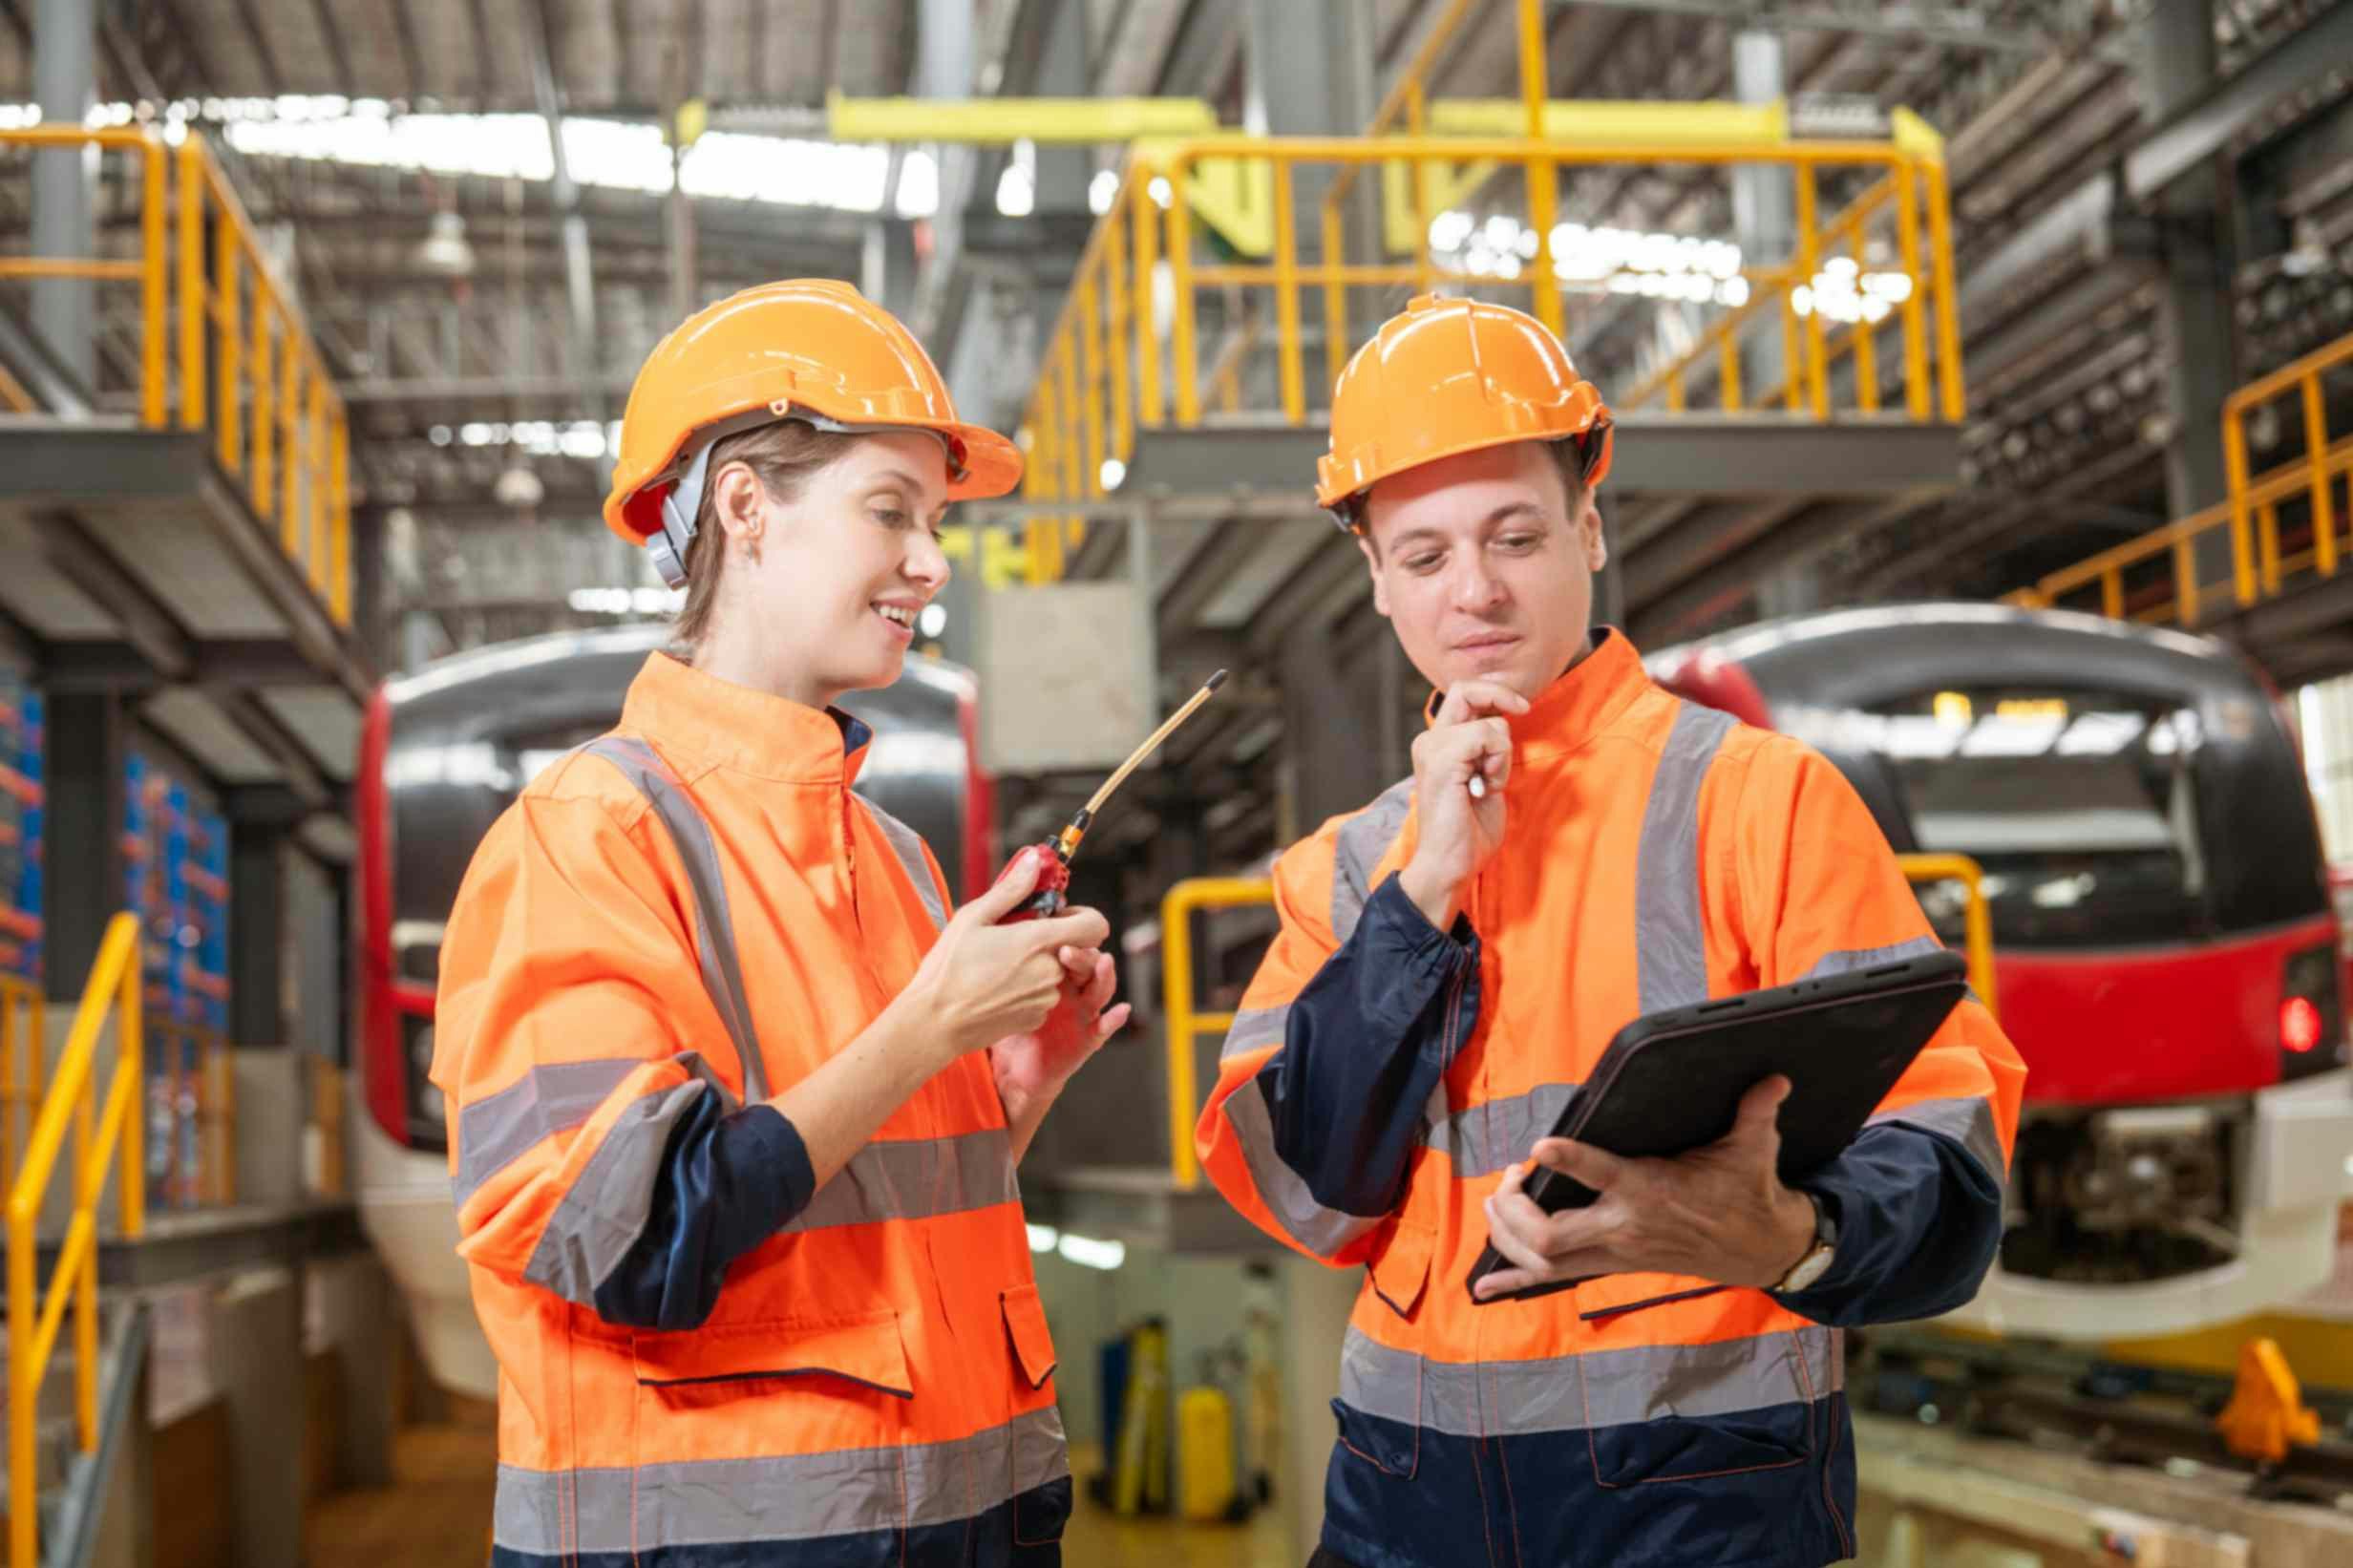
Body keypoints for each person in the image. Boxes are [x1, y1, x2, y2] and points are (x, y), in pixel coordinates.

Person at [1195, 294, 2028, 1568]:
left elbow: (1949, 1143)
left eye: (1515, 534)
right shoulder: (1351, 868)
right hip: (1403, 1507)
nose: (1473, 589)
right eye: (1422, 556)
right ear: (1374, 578)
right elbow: (1308, 1192)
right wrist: (1421, 897)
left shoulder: (1759, 801)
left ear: (1588, 524)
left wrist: (1793, 1237)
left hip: (1701, 1506)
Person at [432, 280, 1124, 1566]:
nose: (930, 559)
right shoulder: (585, 837)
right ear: (747, 505)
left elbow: (860, 1215)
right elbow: (632, 1234)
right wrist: (925, 1031)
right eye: (890, 511)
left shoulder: (897, 856)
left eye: (935, 520)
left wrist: (1011, 1091)